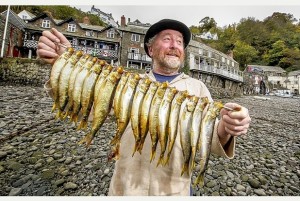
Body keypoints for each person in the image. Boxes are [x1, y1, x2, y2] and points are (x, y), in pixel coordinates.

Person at [37, 19, 251, 196]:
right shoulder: (127, 82)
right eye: (167, 39)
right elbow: (90, 108)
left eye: (179, 42)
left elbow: (211, 140)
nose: (175, 46)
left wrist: (228, 126)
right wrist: (62, 65)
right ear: (150, 48)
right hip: (125, 188)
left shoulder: (198, 88)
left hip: (174, 191)